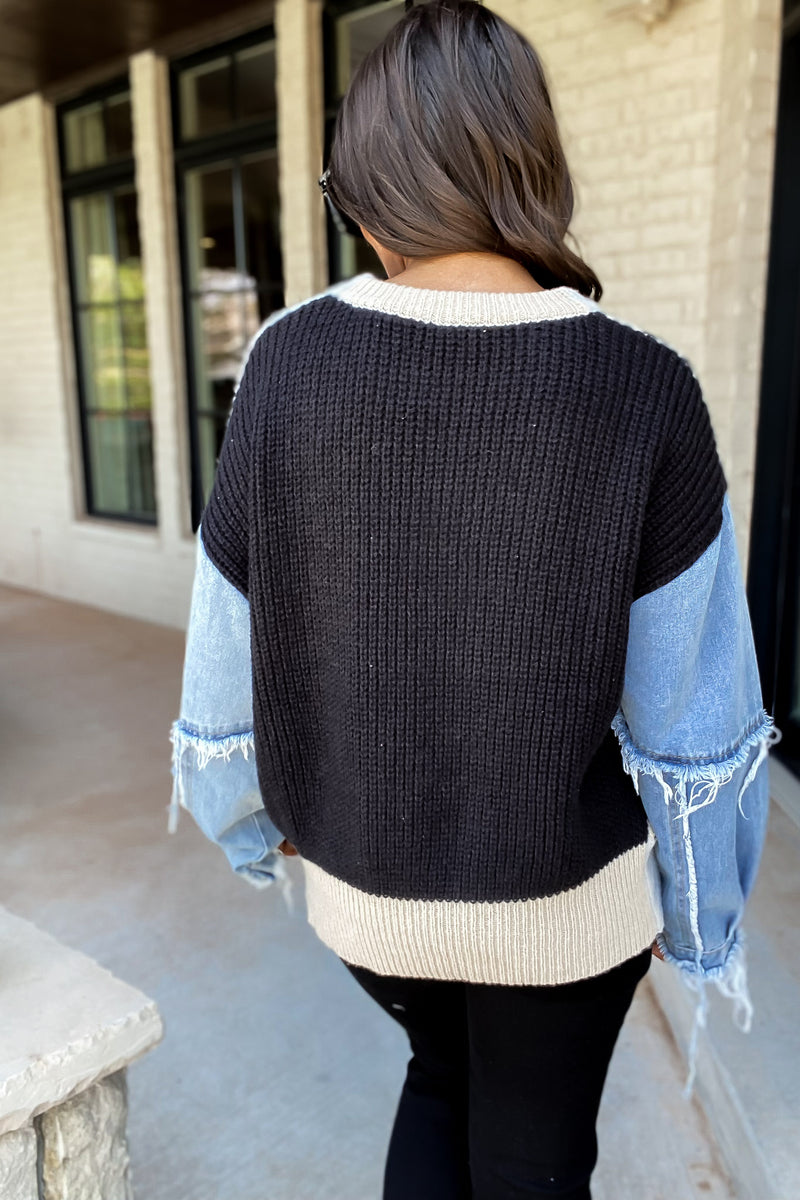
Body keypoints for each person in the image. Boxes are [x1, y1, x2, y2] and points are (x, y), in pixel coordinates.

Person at [168, 2, 781, 1196]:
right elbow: (692, 725)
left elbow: (222, 662)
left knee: (435, 1085)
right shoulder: (641, 389)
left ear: (371, 179)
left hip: (367, 901)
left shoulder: (286, 365)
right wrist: (699, 913)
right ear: (528, 162)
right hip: (565, 910)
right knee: (534, 1157)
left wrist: (260, 824)